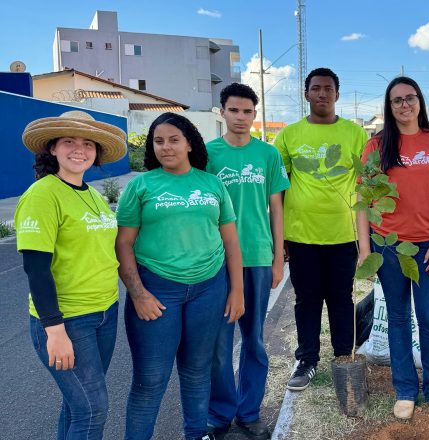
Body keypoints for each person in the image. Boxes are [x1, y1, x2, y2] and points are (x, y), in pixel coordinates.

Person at [115, 112, 245, 440]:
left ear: (189, 143)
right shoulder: (141, 186)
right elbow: (124, 244)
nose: (166, 147)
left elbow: (230, 240)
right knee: (150, 380)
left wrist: (237, 290)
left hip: (209, 288)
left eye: (174, 140)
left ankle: (196, 434)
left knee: (197, 371)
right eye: (159, 141)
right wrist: (139, 294)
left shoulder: (211, 183)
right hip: (157, 291)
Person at [15, 110, 126, 439]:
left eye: (87, 143)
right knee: (92, 410)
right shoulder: (42, 195)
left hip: (105, 311)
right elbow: (36, 269)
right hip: (68, 319)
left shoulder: (91, 194)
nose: (80, 149)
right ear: (52, 149)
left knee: (78, 406)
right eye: (69, 142)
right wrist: (55, 331)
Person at [356, 77, 429, 420]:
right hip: (389, 247)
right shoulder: (376, 147)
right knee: (399, 318)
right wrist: (364, 251)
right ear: (389, 107)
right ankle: (405, 389)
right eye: (396, 100)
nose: (404, 105)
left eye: (409, 98)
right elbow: (363, 201)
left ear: (420, 101)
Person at [274, 67, 368, 391]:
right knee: (307, 299)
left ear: (337, 94)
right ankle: (307, 360)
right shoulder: (288, 136)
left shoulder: (356, 134)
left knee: (341, 298)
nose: (322, 94)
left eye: (328, 88)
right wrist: (280, 236)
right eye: (316, 88)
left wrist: (367, 241)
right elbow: (278, 188)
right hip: (301, 235)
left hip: (344, 235)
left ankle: (344, 356)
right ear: (306, 94)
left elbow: (366, 184)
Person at [205, 83, 290, 439]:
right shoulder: (207, 155)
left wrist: (278, 257)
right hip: (217, 262)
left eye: (247, 111)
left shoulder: (268, 155)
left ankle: (249, 412)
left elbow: (276, 208)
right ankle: (220, 413)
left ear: (255, 115)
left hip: (257, 256)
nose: (241, 117)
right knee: (220, 346)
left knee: (253, 340)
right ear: (221, 111)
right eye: (234, 110)